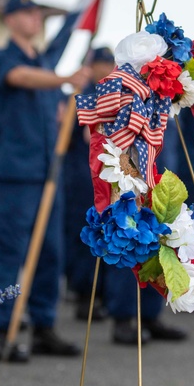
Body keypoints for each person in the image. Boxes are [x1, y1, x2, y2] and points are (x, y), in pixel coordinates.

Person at [0, 0, 90, 362]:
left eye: (38, 14)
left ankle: (44, 325)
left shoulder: (44, 61)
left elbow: (58, 48)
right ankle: (2, 329)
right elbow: (22, 78)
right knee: (11, 255)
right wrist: (65, 78)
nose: (36, 20)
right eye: (29, 13)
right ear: (11, 19)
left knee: (50, 253)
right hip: (17, 176)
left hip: (49, 174)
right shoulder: (4, 61)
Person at [64, 47, 115, 322]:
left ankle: (102, 297)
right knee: (87, 239)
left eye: (110, 63)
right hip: (83, 178)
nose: (107, 69)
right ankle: (85, 298)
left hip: (108, 177)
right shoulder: (84, 96)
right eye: (102, 64)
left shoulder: (114, 93)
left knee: (109, 237)